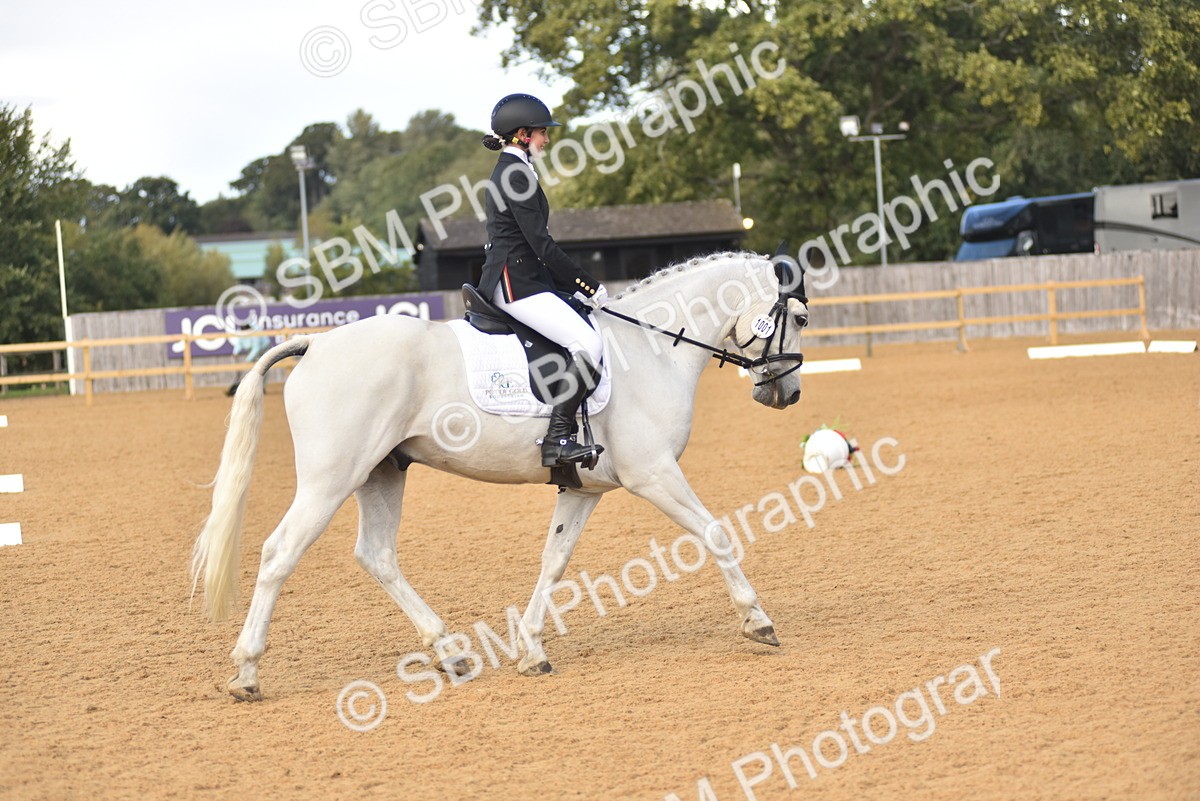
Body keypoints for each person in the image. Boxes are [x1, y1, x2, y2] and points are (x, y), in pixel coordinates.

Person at [476, 93, 608, 469]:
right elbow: (542, 246)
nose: (546, 140)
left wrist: (566, 291)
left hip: (524, 276)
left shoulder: (515, 168)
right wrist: (588, 285)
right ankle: (558, 439)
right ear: (521, 134)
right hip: (516, 282)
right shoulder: (514, 173)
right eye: (541, 133)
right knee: (588, 342)